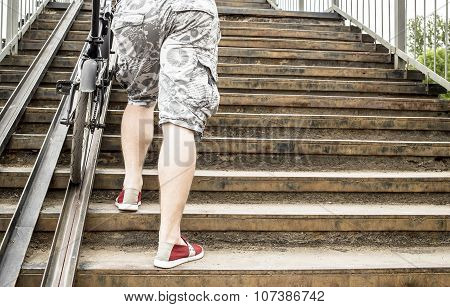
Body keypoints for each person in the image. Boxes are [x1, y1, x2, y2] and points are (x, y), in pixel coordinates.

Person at [111, 0, 221, 269]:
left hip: (136, 10)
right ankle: (169, 241)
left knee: (139, 98)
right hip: (188, 10)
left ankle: (131, 188)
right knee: (180, 121)